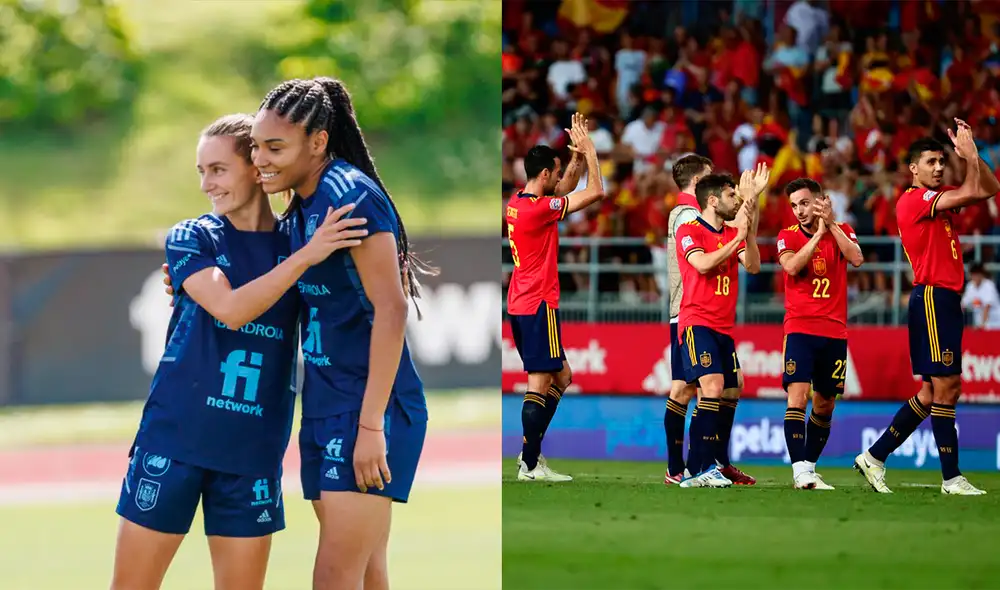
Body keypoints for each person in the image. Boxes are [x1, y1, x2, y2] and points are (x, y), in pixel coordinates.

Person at [112, 113, 366, 590]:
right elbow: (229, 309)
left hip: (253, 452)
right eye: (201, 171)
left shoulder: (298, 238)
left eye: (218, 169)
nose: (207, 184)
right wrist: (306, 257)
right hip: (175, 441)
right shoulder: (195, 235)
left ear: (255, 166)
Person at [251, 76, 434, 589]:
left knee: (334, 576)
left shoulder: (348, 195)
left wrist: (372, 425)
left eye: (274, 147)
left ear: (318, 141)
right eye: (256, 146)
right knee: (368, 573)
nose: (261, 159)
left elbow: (392, 309)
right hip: (327, 398)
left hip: (368, 405)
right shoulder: (302, 203)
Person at [855, 123, 998, 495]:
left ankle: (874, 457)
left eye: (941, 161)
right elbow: (973, 189)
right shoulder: (913, 200)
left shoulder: (940, 198)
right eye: (931, 162)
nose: (938, 167)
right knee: (947, 387)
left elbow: (990, 189)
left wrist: (973, 156)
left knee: (933, 393)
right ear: (913, 169)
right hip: (933, 297)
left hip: (945, 299)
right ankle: (952, 478)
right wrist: (968, 156)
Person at [508, 115, 605, 483]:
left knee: (561, 375)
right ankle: (529, 465)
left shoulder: (519, 202)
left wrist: (575, 158)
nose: (559, 177)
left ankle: (529, 455)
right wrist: (593, 155)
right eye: (557, 171)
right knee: (541, 380)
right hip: (538, 302)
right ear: (545, 173)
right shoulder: (537, 210)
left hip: (521, 300)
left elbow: (560, 191)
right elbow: (594, 192)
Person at [675, 170, 763, 488]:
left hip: (723, 327)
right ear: (712, 200)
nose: (735, 200)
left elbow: (753, 266)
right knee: (711, 386)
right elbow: (701, 264)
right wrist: (737, 238)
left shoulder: (731, 233)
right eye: (730, 195)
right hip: (697, 322)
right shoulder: (689, 230)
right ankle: (698, 469)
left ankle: (715, 462)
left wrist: (747, 231)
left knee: (733, 385)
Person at [777, 178, 863, 490]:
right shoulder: (787, 236)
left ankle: (810, 468)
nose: (799, 210)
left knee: (825, 403)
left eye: (804, 203)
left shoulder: (843, 230)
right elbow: (791, 267)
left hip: (835, 332)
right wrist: (817, 237)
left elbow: (856, 258)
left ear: (819, 200)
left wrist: (831, 227)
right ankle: (799, 470)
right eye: (794, 205)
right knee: (797, 398)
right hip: (800, 328)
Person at [663, 154, 713, 485]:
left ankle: (694, 465)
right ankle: (692, 466)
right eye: (709, 180)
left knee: (693, 387)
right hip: (690, 310)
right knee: (689, 389)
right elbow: (700, 261)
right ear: (697, 183)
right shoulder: (688, 216)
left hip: (693, 310)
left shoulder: (682, 213)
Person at [961, 262, 1000, 330]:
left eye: (977, 274)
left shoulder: (989, 285)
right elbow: (963, 305)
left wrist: (982, 325)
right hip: (980, 325)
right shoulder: (970, 286)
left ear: (982, 275)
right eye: (973, 275)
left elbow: (987, 307)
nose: (975, 277)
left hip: (995, 325)